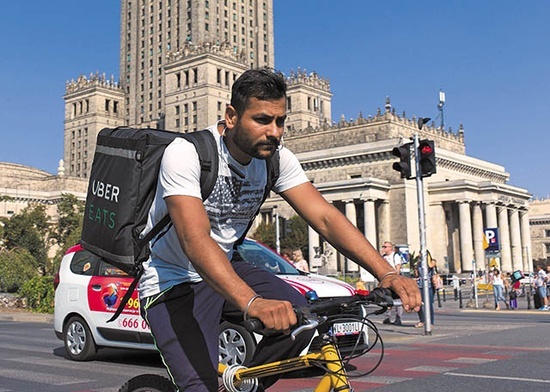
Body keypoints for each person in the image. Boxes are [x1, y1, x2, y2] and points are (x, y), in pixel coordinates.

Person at [137, 68, 421, 392]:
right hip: (174, 280)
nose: (274, 131)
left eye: (280, 121)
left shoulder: (276, 159)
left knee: (303, 322)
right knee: (198, 387)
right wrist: (252, 302)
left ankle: (244, 383)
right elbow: (195, 239)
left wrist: (386, 273)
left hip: (227, 268)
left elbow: (325, 217)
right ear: (231, 116)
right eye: (262, 120)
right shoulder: (187, 154)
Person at [380, 241, 404, 325]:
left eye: (385, 247)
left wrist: (394, 278)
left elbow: (398, 268)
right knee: (387, 298)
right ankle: (387, 317)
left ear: (390, 247)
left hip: (394, 280)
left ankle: (398, 318)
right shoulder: (383, 257)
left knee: (397, 299)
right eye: (383, 246)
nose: (383, 248)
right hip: (386, 281)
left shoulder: (395, 256)